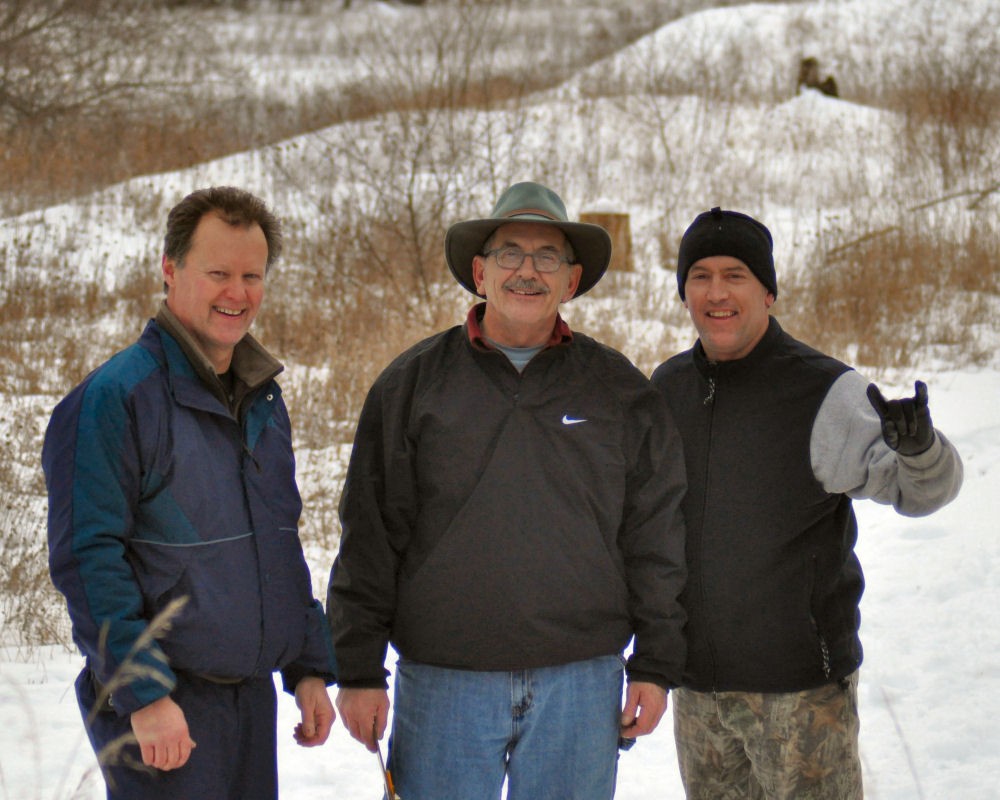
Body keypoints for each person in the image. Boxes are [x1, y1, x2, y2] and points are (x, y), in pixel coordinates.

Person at [326, 181, 688, 799]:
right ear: (480, 271)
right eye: (510, 253)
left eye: (547, 256)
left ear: (571, 280)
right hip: (445, 682)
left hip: (580, 682)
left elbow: (655, 534)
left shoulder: (618, 390)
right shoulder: (413, 385)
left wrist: (654, 663)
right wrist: (358, 669)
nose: (527, 270)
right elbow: (370, 534)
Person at [651, 206, 964, 799]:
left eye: (736, 275)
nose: (717, 293)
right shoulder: (667, 389)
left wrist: (919, 450)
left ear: (768, 292)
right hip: (698, 693)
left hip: (799, 693)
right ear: (683, 292)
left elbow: (924, 492)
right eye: (700, 276)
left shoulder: (823, 391)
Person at [43, 186, 337, 799]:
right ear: (170, 269)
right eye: (218, 273)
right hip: (164, 708)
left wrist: (307, 664)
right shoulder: (116, 399)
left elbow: (277, 543)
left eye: (252, 276)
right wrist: (144, 694)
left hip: (248, 701)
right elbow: (88, 560)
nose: (238, 293)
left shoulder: (262, 398)